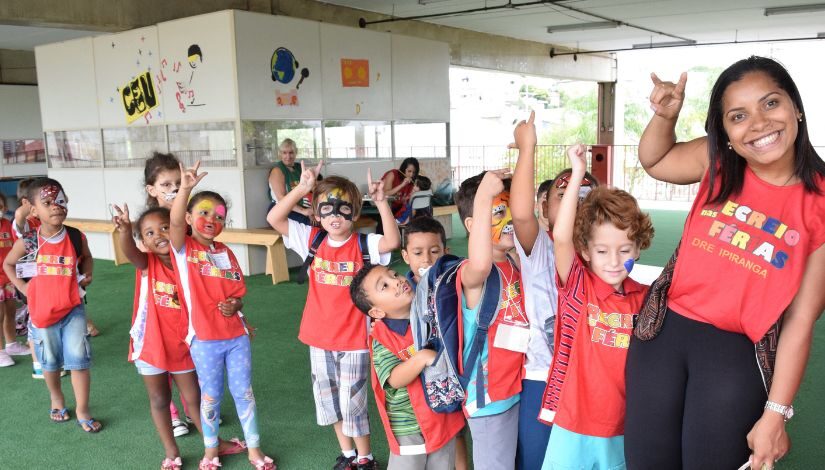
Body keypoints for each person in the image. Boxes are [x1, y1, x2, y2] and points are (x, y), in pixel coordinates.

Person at [625, 56, 825, 470]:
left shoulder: (821, 201)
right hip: (662, 336)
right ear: (726, 134)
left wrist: (776, 414)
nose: (758, 123)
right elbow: (656, 160)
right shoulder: (718, 163)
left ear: (797, 108)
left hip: (735, 355)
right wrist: (666, 117)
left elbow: (801, 320)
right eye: (739, 115)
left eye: (770, 104)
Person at [267, 166, 399, 470]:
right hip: (318, 339)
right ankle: (348, 454)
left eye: (343, 208)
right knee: (330, 402)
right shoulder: (311, 239)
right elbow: (275, 218)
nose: (334, 215)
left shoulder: (364, 245)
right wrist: (302, 189)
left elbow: (391, 242)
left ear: (353, 214)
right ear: (317, 213)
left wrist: (381, 202)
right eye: (326, 208)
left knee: (353, 404)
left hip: (355, 340)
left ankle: (365, 457)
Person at [538, 144, 653, 470]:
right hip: (572, 424)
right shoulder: (578, 287)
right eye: (602, 251)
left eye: (625, 249)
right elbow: (561, 237)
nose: (614, 261)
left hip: (621, 427)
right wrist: (576, 174)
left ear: (639, 248)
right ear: (585, 252)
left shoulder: (645, 299)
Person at [114, 205, 243, 470]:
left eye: (164, 227)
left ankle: (213, 442)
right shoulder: (147, 263)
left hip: (185, 344)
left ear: (180, 229)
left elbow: (221, 289)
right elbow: (129, 252)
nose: (159, 235)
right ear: (143, 241)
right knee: (159, 400)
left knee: (195, 398)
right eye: (149, 233)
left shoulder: (191, 260)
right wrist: (126, 231)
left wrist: (234, 305)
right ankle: (171, 451)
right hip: (151, 345)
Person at [170, 162, 274, 470]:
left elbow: (239, 293)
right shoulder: (183, 248)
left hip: (236, 337)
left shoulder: (226, 252)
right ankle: (211, 451)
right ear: (188, 218)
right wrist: (186, 188)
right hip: (204, 339)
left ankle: (254, 449)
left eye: (218, 216)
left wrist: (234, 305)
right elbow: (174, 224)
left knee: (244, 394)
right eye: (202, 212)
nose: (211, 219)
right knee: (211, 397)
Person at [2, 178, 100, 432]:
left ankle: (82, 408)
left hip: (73, 310)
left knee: (79, 361)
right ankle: (57, 398)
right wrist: (23, 288)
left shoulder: (76, 237)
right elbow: (9, 264)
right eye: (47, 202)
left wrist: (87, 273)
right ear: (33, 210)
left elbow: (86, 258)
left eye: (60, 201)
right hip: (42, 314)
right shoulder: (29, 241)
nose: (56, 206)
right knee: (50, 362)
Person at [350, 263, 466, 470]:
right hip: (409, 427)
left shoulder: (429, 315)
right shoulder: (382, 338)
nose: (397, 280)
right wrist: (421, 358)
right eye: (384, 286)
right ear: (377, 311)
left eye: (394, 274)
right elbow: (393, 378)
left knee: (443, 464)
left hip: (442, 418)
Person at [453, 170, 526, 470]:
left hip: (516, 387)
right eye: (498, 211)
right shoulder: (473, 272)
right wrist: (483, 197)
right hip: (488, 399)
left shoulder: (512, 261)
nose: (508, 219)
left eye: (510, 210)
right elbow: (481, 263)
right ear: (473, 224)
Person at [398, 216, 470, 470]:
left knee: (459, 427)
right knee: (440, 428)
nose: (427, 259)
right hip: (424, 374)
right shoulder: (402, 292)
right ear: (406, 256)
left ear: (446, 252)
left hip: (458, 366)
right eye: (418, 252)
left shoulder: (454, 282)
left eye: (434, 251)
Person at [508, 112, 559, 470]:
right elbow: (521, 215)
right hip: (540, 377)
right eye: (565, 193)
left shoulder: (606, 255)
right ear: (545, 207)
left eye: (587, 193)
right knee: (536, 459)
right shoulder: (540, 247)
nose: (578, 199)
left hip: (590, 381)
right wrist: (528, 149)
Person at [143, 151, 193, 439]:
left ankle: (191, 406)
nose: (174, 189)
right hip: (160, 300)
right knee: (162, 356)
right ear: (152, 190)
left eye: (178, 182)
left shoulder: (188, 214)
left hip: (188, 297)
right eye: (166, 185)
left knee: (189, 352)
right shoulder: (150, 221)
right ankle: (174, 413)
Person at [0, 193, 30, 366]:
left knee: (10, 312)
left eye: (1, 206)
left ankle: (11, 344)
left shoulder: (7, 225)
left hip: (9, 278)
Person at [268, 138, 312, 224]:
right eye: (284, 153)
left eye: (291, 152)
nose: (288, 156)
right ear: (280, 154)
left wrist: (313, 211)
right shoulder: (277, 170)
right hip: (281, 209)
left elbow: (311, 189)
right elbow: (281, 198)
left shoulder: (300, 168)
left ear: (296, 153)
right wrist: (304, 211)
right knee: (308, 225)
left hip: (301, 207)